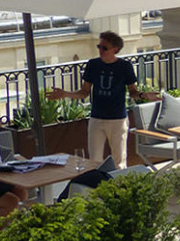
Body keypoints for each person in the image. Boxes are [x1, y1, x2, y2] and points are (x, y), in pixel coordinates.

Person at [48, 31, 156, 169]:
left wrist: (144, 96)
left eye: (104, 48)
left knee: (119, 161)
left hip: (118, 119)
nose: (100, 50)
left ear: (115, 49)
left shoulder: (124, 67)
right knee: (94, 161)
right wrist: (65, 94)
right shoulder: (93, 65)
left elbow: (133, 92)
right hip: (97, 119)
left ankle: (118, 188)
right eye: (99, 46)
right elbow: (84, 92)